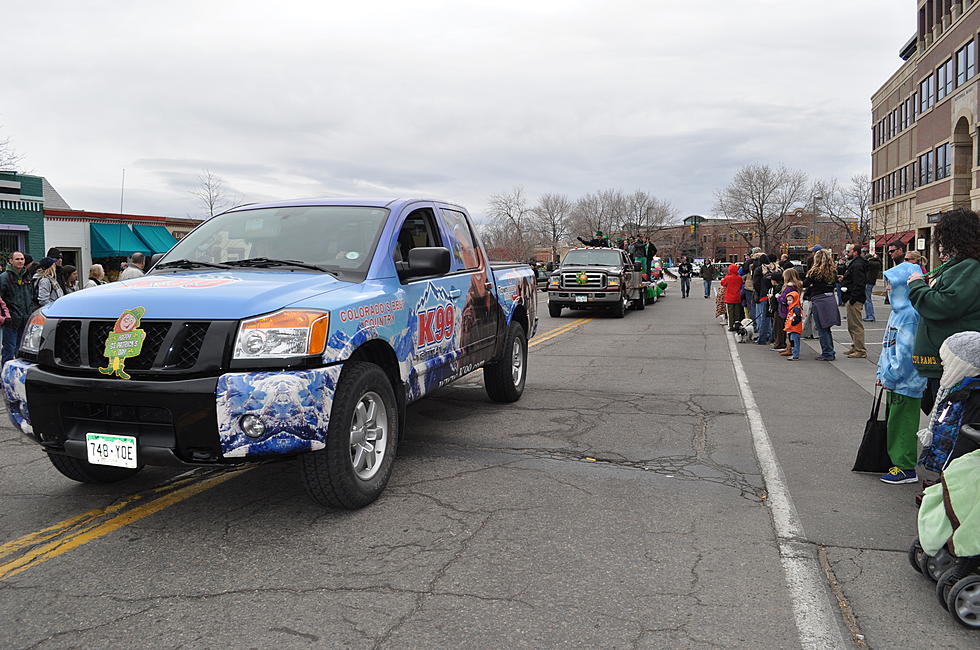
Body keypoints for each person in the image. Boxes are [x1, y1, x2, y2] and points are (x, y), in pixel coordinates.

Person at [907, 208, 980, 414]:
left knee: (948, 430)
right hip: (943, 363)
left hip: (952, 365)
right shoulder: (959, 266)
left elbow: (944, 305)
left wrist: (916, 286)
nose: (940, 245)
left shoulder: (969, 267)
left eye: (942, 238)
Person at [875, 258, 929, 484]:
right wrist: (882, 372)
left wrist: (889, 374)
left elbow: (906, 354)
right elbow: (889, 344)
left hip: (906, 380)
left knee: (903, 422)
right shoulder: (899, 311)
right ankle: (899, 461)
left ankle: (905, 466)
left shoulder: (909, 314)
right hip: (896, 379)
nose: (887, 287)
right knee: (895, 420)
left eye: (891, 283)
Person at [916, 331, 980, 485]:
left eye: (947, 360)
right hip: (950, 460)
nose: (942, 363)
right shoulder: (959, 388)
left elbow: (965, 441)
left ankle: (947, 484)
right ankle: (943, 479)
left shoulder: (972, 397)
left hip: (959, 466)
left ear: (963, 365)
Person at [804, 249, 841, 361]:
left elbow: (805, 283)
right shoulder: (833, 271)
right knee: (827, 328)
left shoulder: (814, 272)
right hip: (830, 299)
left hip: (819, 300)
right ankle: (830, 351)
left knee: (821, 328)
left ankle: (827, 352)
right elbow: (835, 283)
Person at [0, 251, 34, 365]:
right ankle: (5, 378)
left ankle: (18, 377)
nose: (20, 261)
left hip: (25, 319)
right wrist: (5, 316)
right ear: (10, 261)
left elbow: (31, 296)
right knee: (9, 351)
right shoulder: (4, 278)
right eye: (17, 259)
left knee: (22, 351)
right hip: (11, 320)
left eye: (22, 259)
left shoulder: (27, 276)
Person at [840, 245, 868, 358]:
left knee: (856, 325)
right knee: (851, 325)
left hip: (855, 299)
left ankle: (860, 350)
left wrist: (852, 299)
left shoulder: (858, 265)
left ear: (855, 252)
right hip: (852, 297)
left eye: (849, 251)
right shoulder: (855, 263)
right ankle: (855, 346)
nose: (847, 253)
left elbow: (859, 283)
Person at [752, 254, 776, 345]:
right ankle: (771, 336)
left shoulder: (759, 269)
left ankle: (762, 338)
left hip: (763, 294)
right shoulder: (773, 268)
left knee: (764, 318)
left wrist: (759, 292)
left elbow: (756, 283)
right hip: (773, 294)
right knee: (772, 318)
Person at [782, 269, 803, 361]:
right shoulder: (791, 308)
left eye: (790, 300)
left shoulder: (796, 308)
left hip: (794, 328)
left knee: (795, 341)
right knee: (792, 341)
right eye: (788, 300)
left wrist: (793, 323)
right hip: (791, 328)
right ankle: (794, 353)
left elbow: (798, 317)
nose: (788, 302)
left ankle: (795, 354)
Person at [801, 244, 822, 339]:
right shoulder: (827, 264)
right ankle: (815, 333)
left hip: (811, 290)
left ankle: (807, 332)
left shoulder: (811, 261)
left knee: (808, 313)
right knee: (815, 314)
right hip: (819, 293)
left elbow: (807, 275)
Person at [721, 264, 743, 331]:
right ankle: (736, 325)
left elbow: (723, 283)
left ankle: (731, 326)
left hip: (729, 298)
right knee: (737, 313)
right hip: (737, 297)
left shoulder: (728, 277)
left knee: (730, 313)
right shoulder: (739, 278)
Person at [863, 249, 882, 322]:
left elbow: (865, 261)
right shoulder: (877, 263)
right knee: (867, 299)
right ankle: (869, 315)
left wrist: (868, 256)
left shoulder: (872, 263)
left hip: (868, 281)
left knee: (868, 299)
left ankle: (870, 315)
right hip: (871, 281)